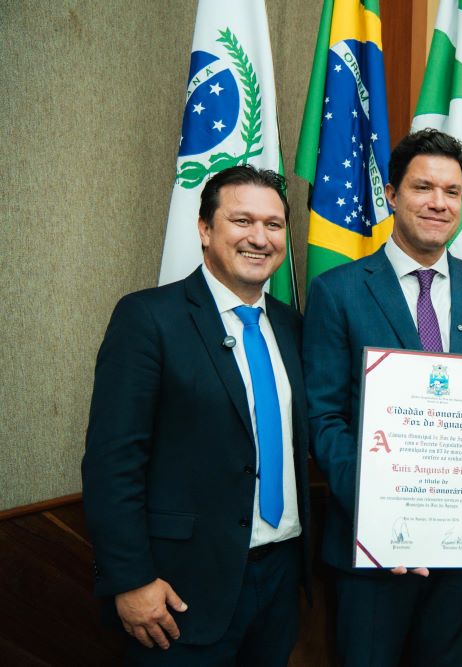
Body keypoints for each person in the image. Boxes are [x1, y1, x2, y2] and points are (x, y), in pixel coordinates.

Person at [303, 128, 462, 667]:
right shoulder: (337, 291)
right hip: (371, 548)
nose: (439, 203)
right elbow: (325, 419)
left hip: (458, 545)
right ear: (391, 194)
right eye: (423, 188)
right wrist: (382, 515)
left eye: (452, 191)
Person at [81, 165, 311, 665]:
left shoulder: (293, 327)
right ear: (205, 229)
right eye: (242, 221)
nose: (260, 237)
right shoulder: (148, 318)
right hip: (179, 589)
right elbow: (112, 461)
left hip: (281, 578)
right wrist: (130, 579)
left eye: (273, 224)